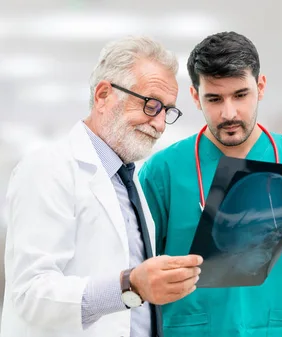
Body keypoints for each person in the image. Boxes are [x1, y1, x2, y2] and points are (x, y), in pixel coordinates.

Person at [138, 31, 282, 337]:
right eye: (214, 99)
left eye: (240, 95)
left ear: (260, 87)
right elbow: (138, 274)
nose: (229, 113)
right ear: (195, 97)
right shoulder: (163, 172)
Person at [0, 36, 203, 337]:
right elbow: (31, 293)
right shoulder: (47, 168)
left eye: (167, 111)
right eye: (151, 105)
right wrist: (129, 286)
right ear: (104, 95)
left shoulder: (129, 185)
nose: (160, 124)